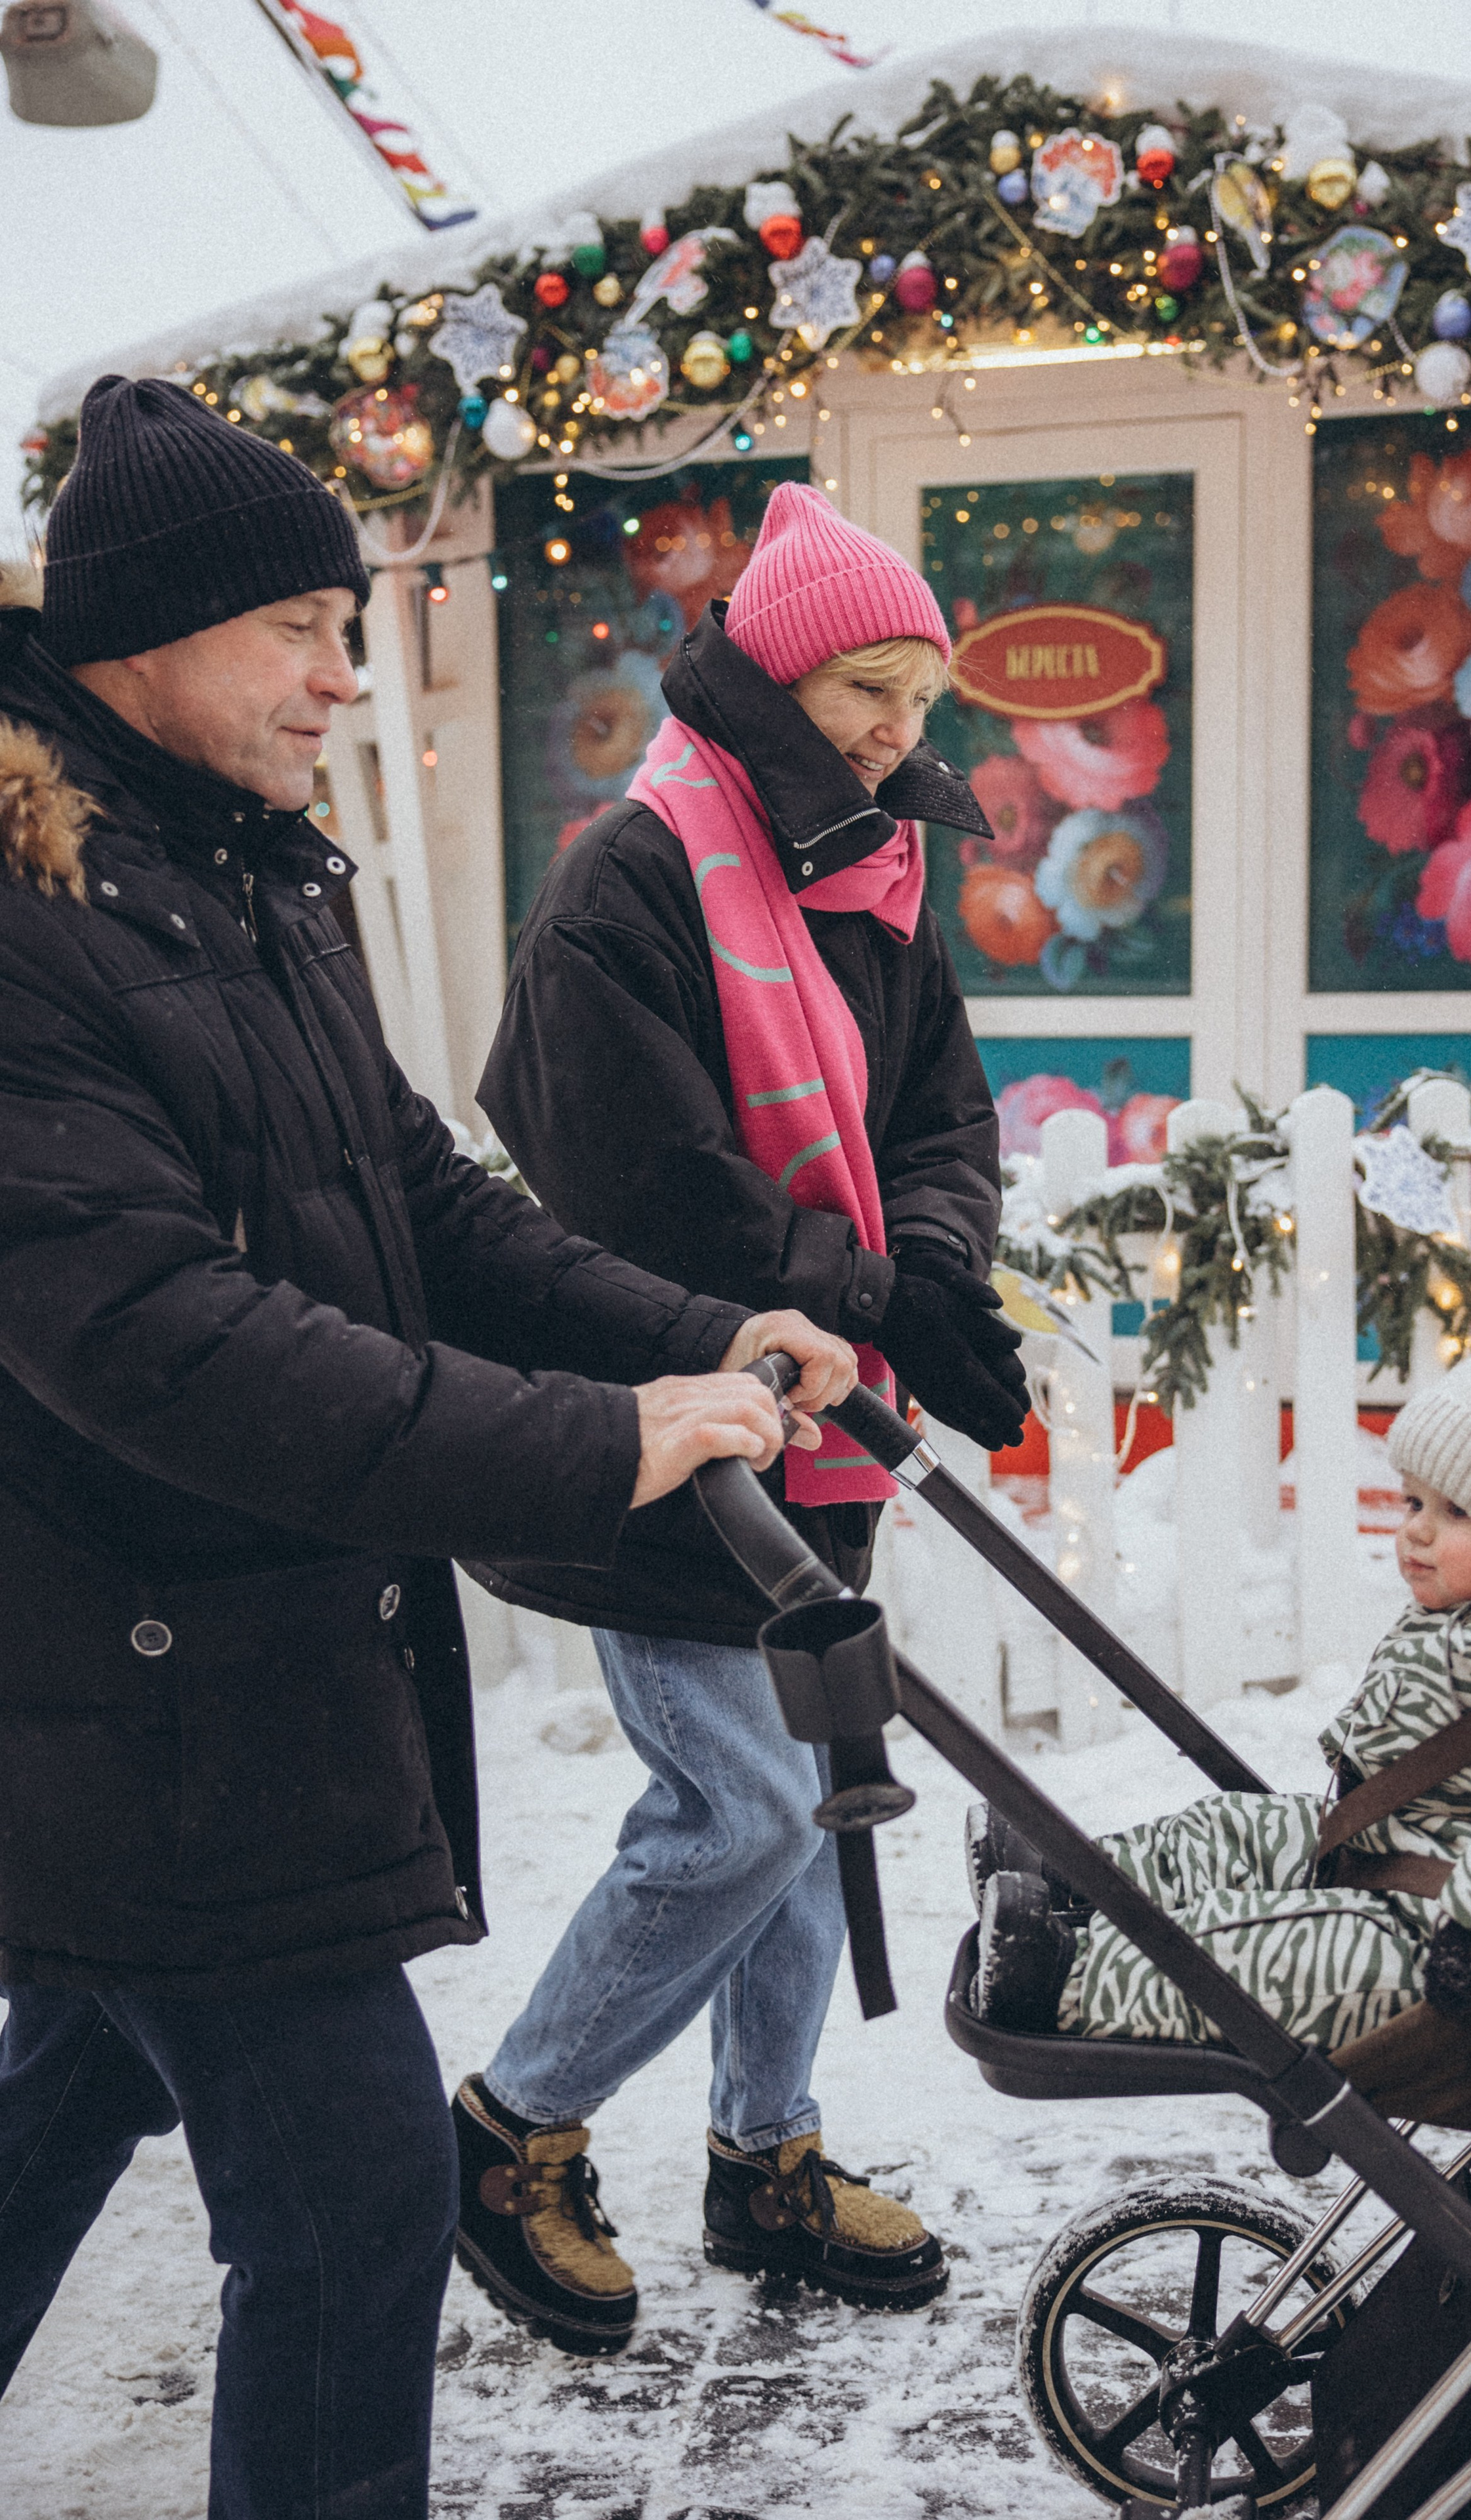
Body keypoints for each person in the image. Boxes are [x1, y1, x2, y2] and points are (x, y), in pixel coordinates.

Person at [0, 377, 856, 2520]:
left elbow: (425, 1202)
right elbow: (168, 1343)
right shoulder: (33, 930)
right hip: (154, 1698)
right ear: (147, 636)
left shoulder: (260, 883)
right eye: (301, 621)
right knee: (361, 2206)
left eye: (354, 621)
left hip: (233, 1683)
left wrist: (697, 1339)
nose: (340, 674)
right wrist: (606, 1444)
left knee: (74, 2092)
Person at [457, 482, 1027, 2351]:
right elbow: (632, 1184)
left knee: (813, 1799)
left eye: (919, 699)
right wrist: (867, 1303)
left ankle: (761, 2158)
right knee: (748, 1804)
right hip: (666, 1414)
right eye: (870, 688)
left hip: (820, 1420)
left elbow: (940, 1111)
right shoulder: (635, 874)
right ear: (778, 677)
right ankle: (513, 2128)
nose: (898, 732)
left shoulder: (864, 862)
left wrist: (925, 1276)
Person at [971, 1262, 1471, 2049]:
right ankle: (1072, 1878)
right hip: (1403, 1843)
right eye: (1413, 1500)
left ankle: (1063, 1968)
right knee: (1237, 1831)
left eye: (1454, 1512)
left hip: (1462, 1933)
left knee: (1277, 1948)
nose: (1412, 1528)